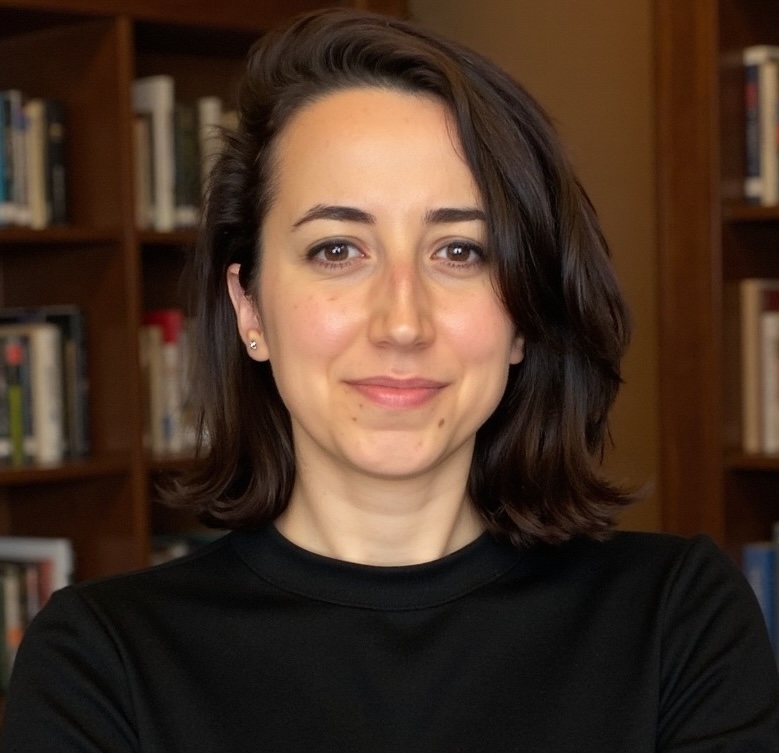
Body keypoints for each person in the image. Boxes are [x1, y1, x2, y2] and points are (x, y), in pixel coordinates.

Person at [2, 8, 778, 752]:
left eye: (459, 252)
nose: (401, 322)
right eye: (337, 250)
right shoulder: (101, 661)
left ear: (525, 314)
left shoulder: (676, 618)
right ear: (250, 308)